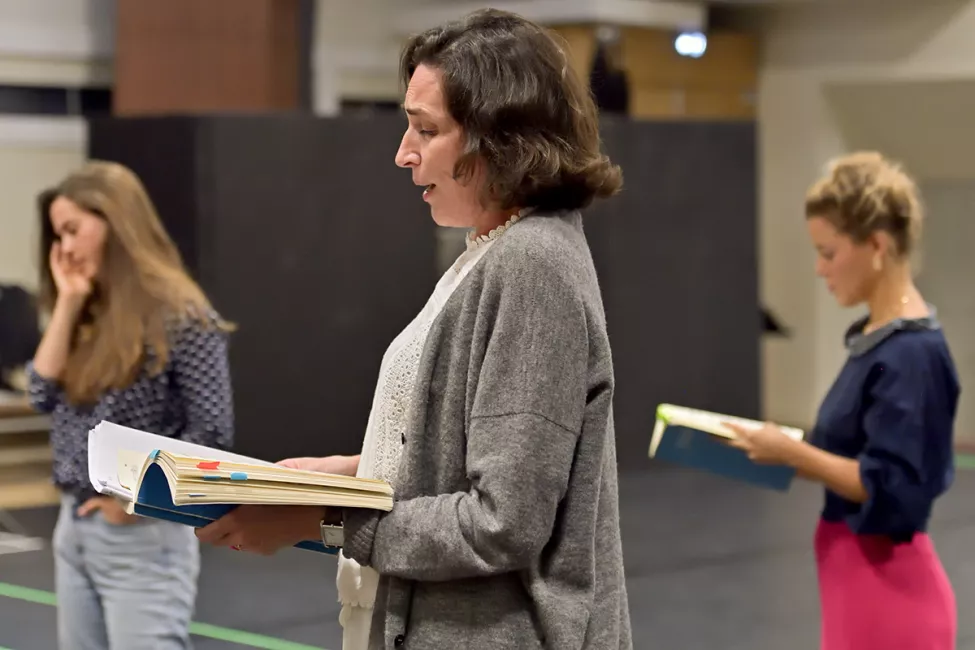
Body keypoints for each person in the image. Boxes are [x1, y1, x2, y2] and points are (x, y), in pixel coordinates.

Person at [196, 8, 633, 650]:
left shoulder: (532, 263)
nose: (403, 154)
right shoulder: (490, 253)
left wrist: (324, 516)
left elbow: (502, 521)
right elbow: (451, 457)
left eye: (425, 130)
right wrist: (345, 473)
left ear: (500, 138)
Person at [725, 151, 957, 650]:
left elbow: (890, 483)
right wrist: (771, 448)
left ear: (876, 245)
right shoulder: (879, 339)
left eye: (829, 253)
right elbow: (855, 459)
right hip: (858, 586)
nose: (819, 268)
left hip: (890, 599)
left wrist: (793, 454)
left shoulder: (912, 355)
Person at [27, 161, 235, 650]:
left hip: (141, 536)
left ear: (115, 222)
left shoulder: (183, 317)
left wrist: (134, 502)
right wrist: (69, 301)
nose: (66, 249)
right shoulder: (88, 315)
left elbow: (211, 434)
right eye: (59, 236)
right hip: (74, 527)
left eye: (73, 230)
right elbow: (40, 392)